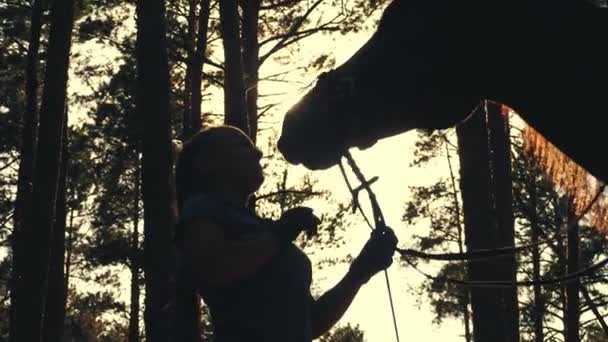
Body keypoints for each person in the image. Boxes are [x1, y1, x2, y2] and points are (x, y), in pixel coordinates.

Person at [174, 125, 397, 341]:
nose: (258, 152)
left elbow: (312, 322)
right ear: (206, 164)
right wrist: (279, 234)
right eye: (241, 145)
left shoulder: (259, 228)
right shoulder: (201, 208)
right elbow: (211, 265)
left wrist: (359, 272)